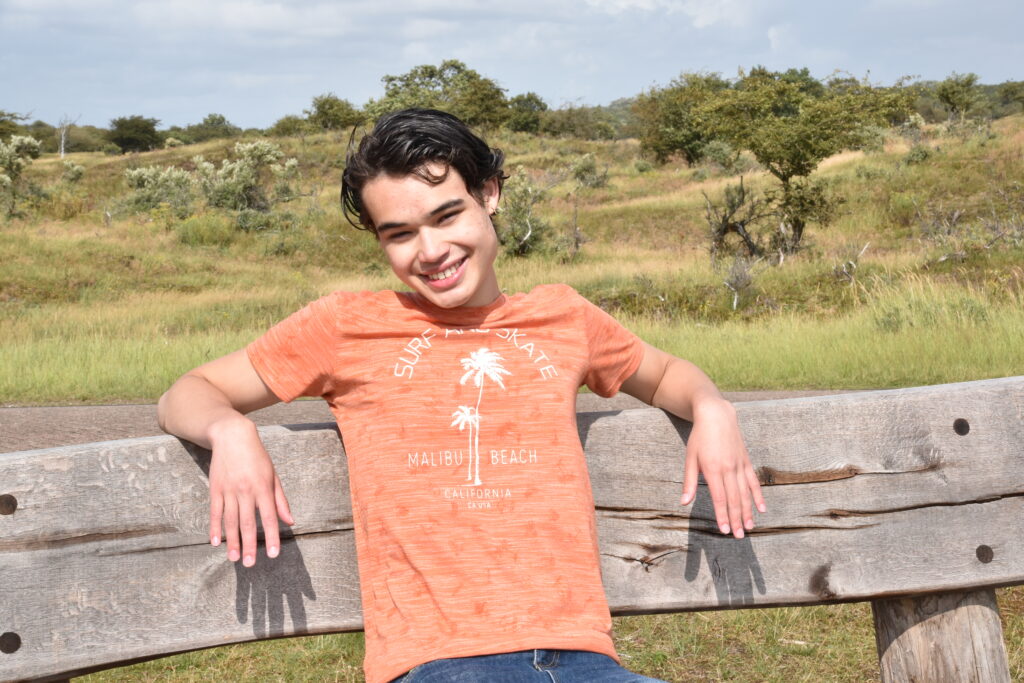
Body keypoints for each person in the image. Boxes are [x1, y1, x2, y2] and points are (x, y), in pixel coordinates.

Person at [158, 108, 765, 683]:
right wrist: (229, 431)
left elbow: (662, 375)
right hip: (440, 663)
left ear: (490, 194)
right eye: (399, 234)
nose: (430, 252)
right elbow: (189, 391)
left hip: (585, 657)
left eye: (447, 216)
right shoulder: (344, 328)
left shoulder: (564, 318)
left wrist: (711, 407)